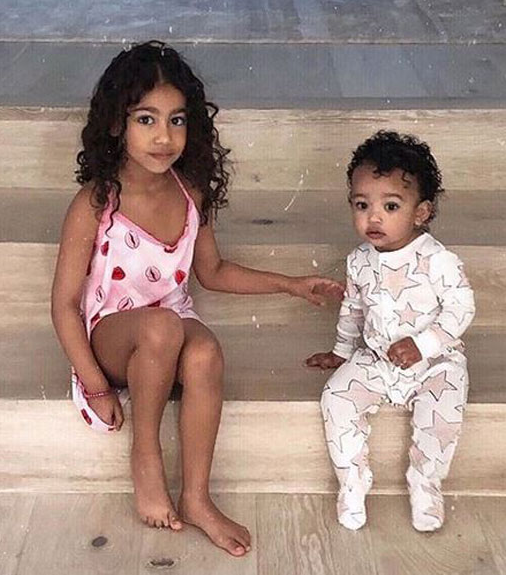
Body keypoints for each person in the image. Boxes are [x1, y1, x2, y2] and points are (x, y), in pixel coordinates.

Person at [51, 40, 342, 557]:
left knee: (205, 350)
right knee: (162, 325)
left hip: (168, 329)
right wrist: (96, 385)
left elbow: (214, 271)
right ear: (116, 124)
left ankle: (197, 497)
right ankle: (146, 457)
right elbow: (64, 305)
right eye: (146, 119)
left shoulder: (191, 195)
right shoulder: (97, 202)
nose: (164, 136)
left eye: (177, 120)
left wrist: (290, 284)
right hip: (112, 337)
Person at [306, 130, 475, 532]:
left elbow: (462, 308)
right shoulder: (359, 261)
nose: (374, 217)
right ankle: (352, 480)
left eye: (391, 206)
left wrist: (423, 344)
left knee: (444, 407)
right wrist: (341, 351)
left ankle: (426, 482)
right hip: (377, 358)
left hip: (434, 362)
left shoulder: (437, 260)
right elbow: (353, 309)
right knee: (335, 398)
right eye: (361, 205)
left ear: (421, 212)